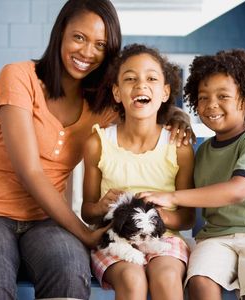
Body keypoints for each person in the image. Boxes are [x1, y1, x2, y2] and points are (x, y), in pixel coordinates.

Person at [0, 1, 193, 299]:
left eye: (100, 44)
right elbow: (30, 171)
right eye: (79, 37)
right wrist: (85, 232)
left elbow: (140, 107)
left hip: (47, 224)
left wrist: (177, 116)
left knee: (71, 274)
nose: (87, 52)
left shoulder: (101, 106)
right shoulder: (20, 77)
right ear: (61, 32)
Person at [140, 49, 245, 300]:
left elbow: (238, 190)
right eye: (203, 97)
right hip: (216, 238)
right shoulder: (202, 151)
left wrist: (172, 197)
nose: (211, 104)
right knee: (200, 283)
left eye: (223, 96)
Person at [81, 44, 195, 300]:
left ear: (165, 92)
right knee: (133, 280)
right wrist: (101, 207)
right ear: (117, 92)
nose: (141, 85)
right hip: (114, 240)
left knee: (166, 277)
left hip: (163, 238)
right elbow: (87, 211)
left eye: (151, 79)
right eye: (130, 79)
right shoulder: (97, 143)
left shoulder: (178, 147)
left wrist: (155, 220)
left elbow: (187, 217)